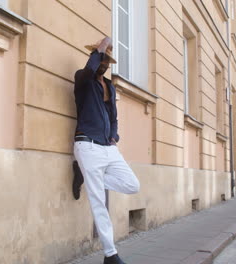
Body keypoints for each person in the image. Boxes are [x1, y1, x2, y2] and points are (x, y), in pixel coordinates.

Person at [71, 36, 140, 264]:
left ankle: (85, 174)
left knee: (132, 184)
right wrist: (99, 49)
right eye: (102, 58)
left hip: (107, 147)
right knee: (98, 201)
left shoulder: (109, 86)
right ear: (96, 57)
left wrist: (114, 136)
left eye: (107, 60)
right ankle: (111, 255)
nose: (104, 63)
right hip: (87, 144)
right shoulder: (83, 79)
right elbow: (90, 69)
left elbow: (114, 117)